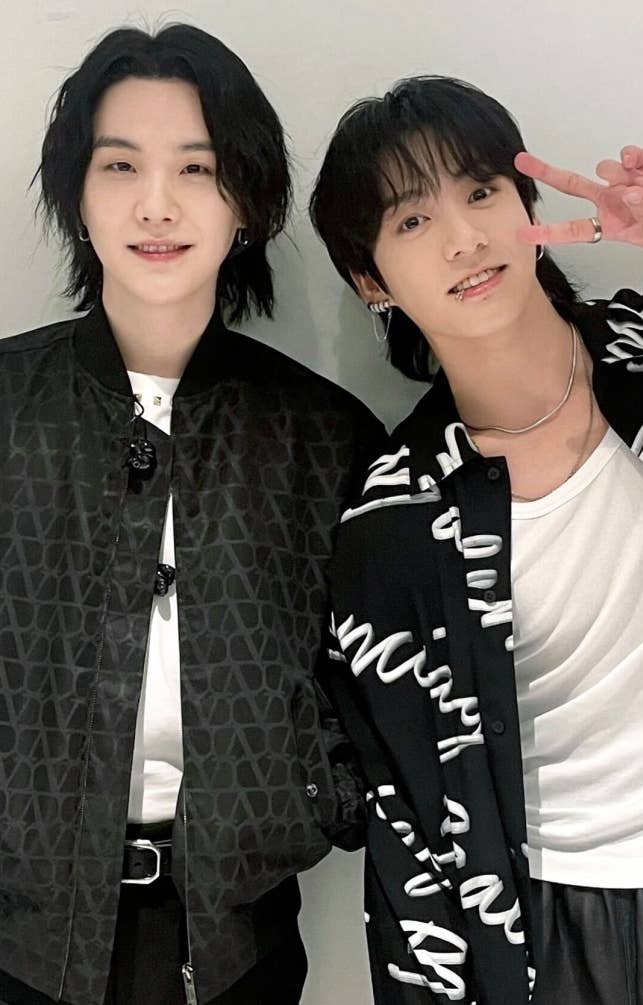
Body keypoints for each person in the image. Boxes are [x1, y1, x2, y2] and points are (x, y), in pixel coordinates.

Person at [0, 24, 384, 1005]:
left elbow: (373, 680)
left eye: (198, 168)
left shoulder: (323, 436)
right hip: (18, 944)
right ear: (77, 196)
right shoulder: (9, 404)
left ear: (247, 203)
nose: (157, 204)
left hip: (236, 950)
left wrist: (312, 800)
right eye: (120, 164)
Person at [310, 75, 643, 1003]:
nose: (464, 237)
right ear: (371, 280)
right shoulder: (393, 522)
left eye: (480, 191)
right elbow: (411, 819)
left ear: (526, 204)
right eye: (412, 219)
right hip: (564, 920)